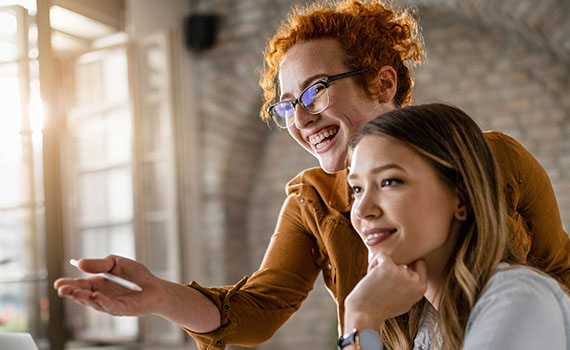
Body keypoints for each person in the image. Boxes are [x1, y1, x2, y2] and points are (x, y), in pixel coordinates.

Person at [54, 0, 570, 349]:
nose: (299, 119)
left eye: (314, 90)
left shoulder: (496, 171)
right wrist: (163, 298)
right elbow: (258, 307)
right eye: (285, 107)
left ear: (383, 82)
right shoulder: (312, 200)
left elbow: (558, 276)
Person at [341, 103, 570, 350]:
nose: (361, 211)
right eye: (357, 189)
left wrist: (361, 318)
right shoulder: (424, 327)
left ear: (461, 196)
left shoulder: (518, 301)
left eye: (389, 181)